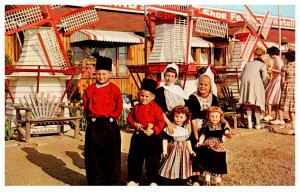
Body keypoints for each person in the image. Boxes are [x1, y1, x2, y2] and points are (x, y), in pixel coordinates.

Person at [83, 56, 123, 185]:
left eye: (104, 74)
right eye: (98, 74)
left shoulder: (115, 89)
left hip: (110, 125)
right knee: (94, 157)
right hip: (94, 125)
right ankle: (96, 183)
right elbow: (86, 106)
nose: (101, 77)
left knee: (112, 157)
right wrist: (92, 119)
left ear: (110, 74)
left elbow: (119, 106)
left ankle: (112, 183)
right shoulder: (89, 90)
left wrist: (111, 119)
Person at [127, 78, 165, 186]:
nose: (143, 98)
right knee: (135, 159)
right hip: (138, 136)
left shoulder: (157, 108)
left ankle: (153, 181)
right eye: (142, 96)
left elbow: (161, 122)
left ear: (153, 97)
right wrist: (135, 124)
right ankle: (133, 180)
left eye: (146, 96)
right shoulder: (136, 107)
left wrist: (153, 130)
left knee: (152, 160)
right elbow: (130, 118)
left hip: (152, 138)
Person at [185, 74, 219, 185]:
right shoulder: (192, 98)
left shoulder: (213, 97)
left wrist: (226, 126)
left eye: (206, 84)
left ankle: (210, 175)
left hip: (211, 128)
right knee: (196, 151)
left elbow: (218, 113)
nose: (203, 86)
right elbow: (193, 119)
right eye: (201, 84)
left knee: (212, 151)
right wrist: (196, 136)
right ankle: (196, 178)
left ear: (210, 86)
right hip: (196, 129)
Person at [194, 106, 233, 186]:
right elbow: (203, 135)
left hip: (219, 147)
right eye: (212, 116)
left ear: (220, 117)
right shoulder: (206, 126)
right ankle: (207, 179)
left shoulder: (222, 126)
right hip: (209, 146)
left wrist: (228, 134)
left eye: (216, 116)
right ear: (208, 117)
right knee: (208, 163)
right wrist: (200, 142)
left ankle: (218, 180)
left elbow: (226, 133)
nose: (214, 118)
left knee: (220, 163)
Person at [159, 105, 196, 185]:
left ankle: (181, 180)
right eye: (176, 116)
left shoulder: (186, 128)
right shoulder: (171, 127)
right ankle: (170, 179)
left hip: (183, 150)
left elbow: (187, 140)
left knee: (182, 165)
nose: (178, 119)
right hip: (173, 149)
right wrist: (164, 151)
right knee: (170, 164)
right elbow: (165, 139)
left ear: (186, 118)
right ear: (173, 116)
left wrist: (191, 150)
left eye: (181, 117)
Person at [155, 63, 189, 135]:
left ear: (175, 77)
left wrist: (187, 123)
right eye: (167, 75)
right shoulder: (159, 91)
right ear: (164, 76)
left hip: (181, 121)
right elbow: (160, 111)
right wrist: (169, 124)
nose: (169, 78)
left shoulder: (179, 90)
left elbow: (186, 108)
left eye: (172, 76)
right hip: (167, 121)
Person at [239, 47, 268, 129]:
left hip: (245, 82)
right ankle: (258, 124)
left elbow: (241, 76)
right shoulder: (262, 64)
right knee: (257, 103)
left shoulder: (248, 64)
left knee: (248, 102)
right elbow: (265, 76)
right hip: (256, 81)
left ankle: (249, 124)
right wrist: (261, 83)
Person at [272, 50, 295, 129]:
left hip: (288, 87)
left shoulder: (285, 67)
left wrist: (282, 89)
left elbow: (282, 80)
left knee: (290, 108)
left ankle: (294, 126)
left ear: (287, 58)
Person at [263, 46, 284, 123]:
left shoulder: (278, 60)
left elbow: (280, 71)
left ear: (272, 53)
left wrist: (270, 69)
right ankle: (277, 117)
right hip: (275, 79)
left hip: (277, 80)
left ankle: (275, 116)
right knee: (274, 99)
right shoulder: (276, 59)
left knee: (273, 97)